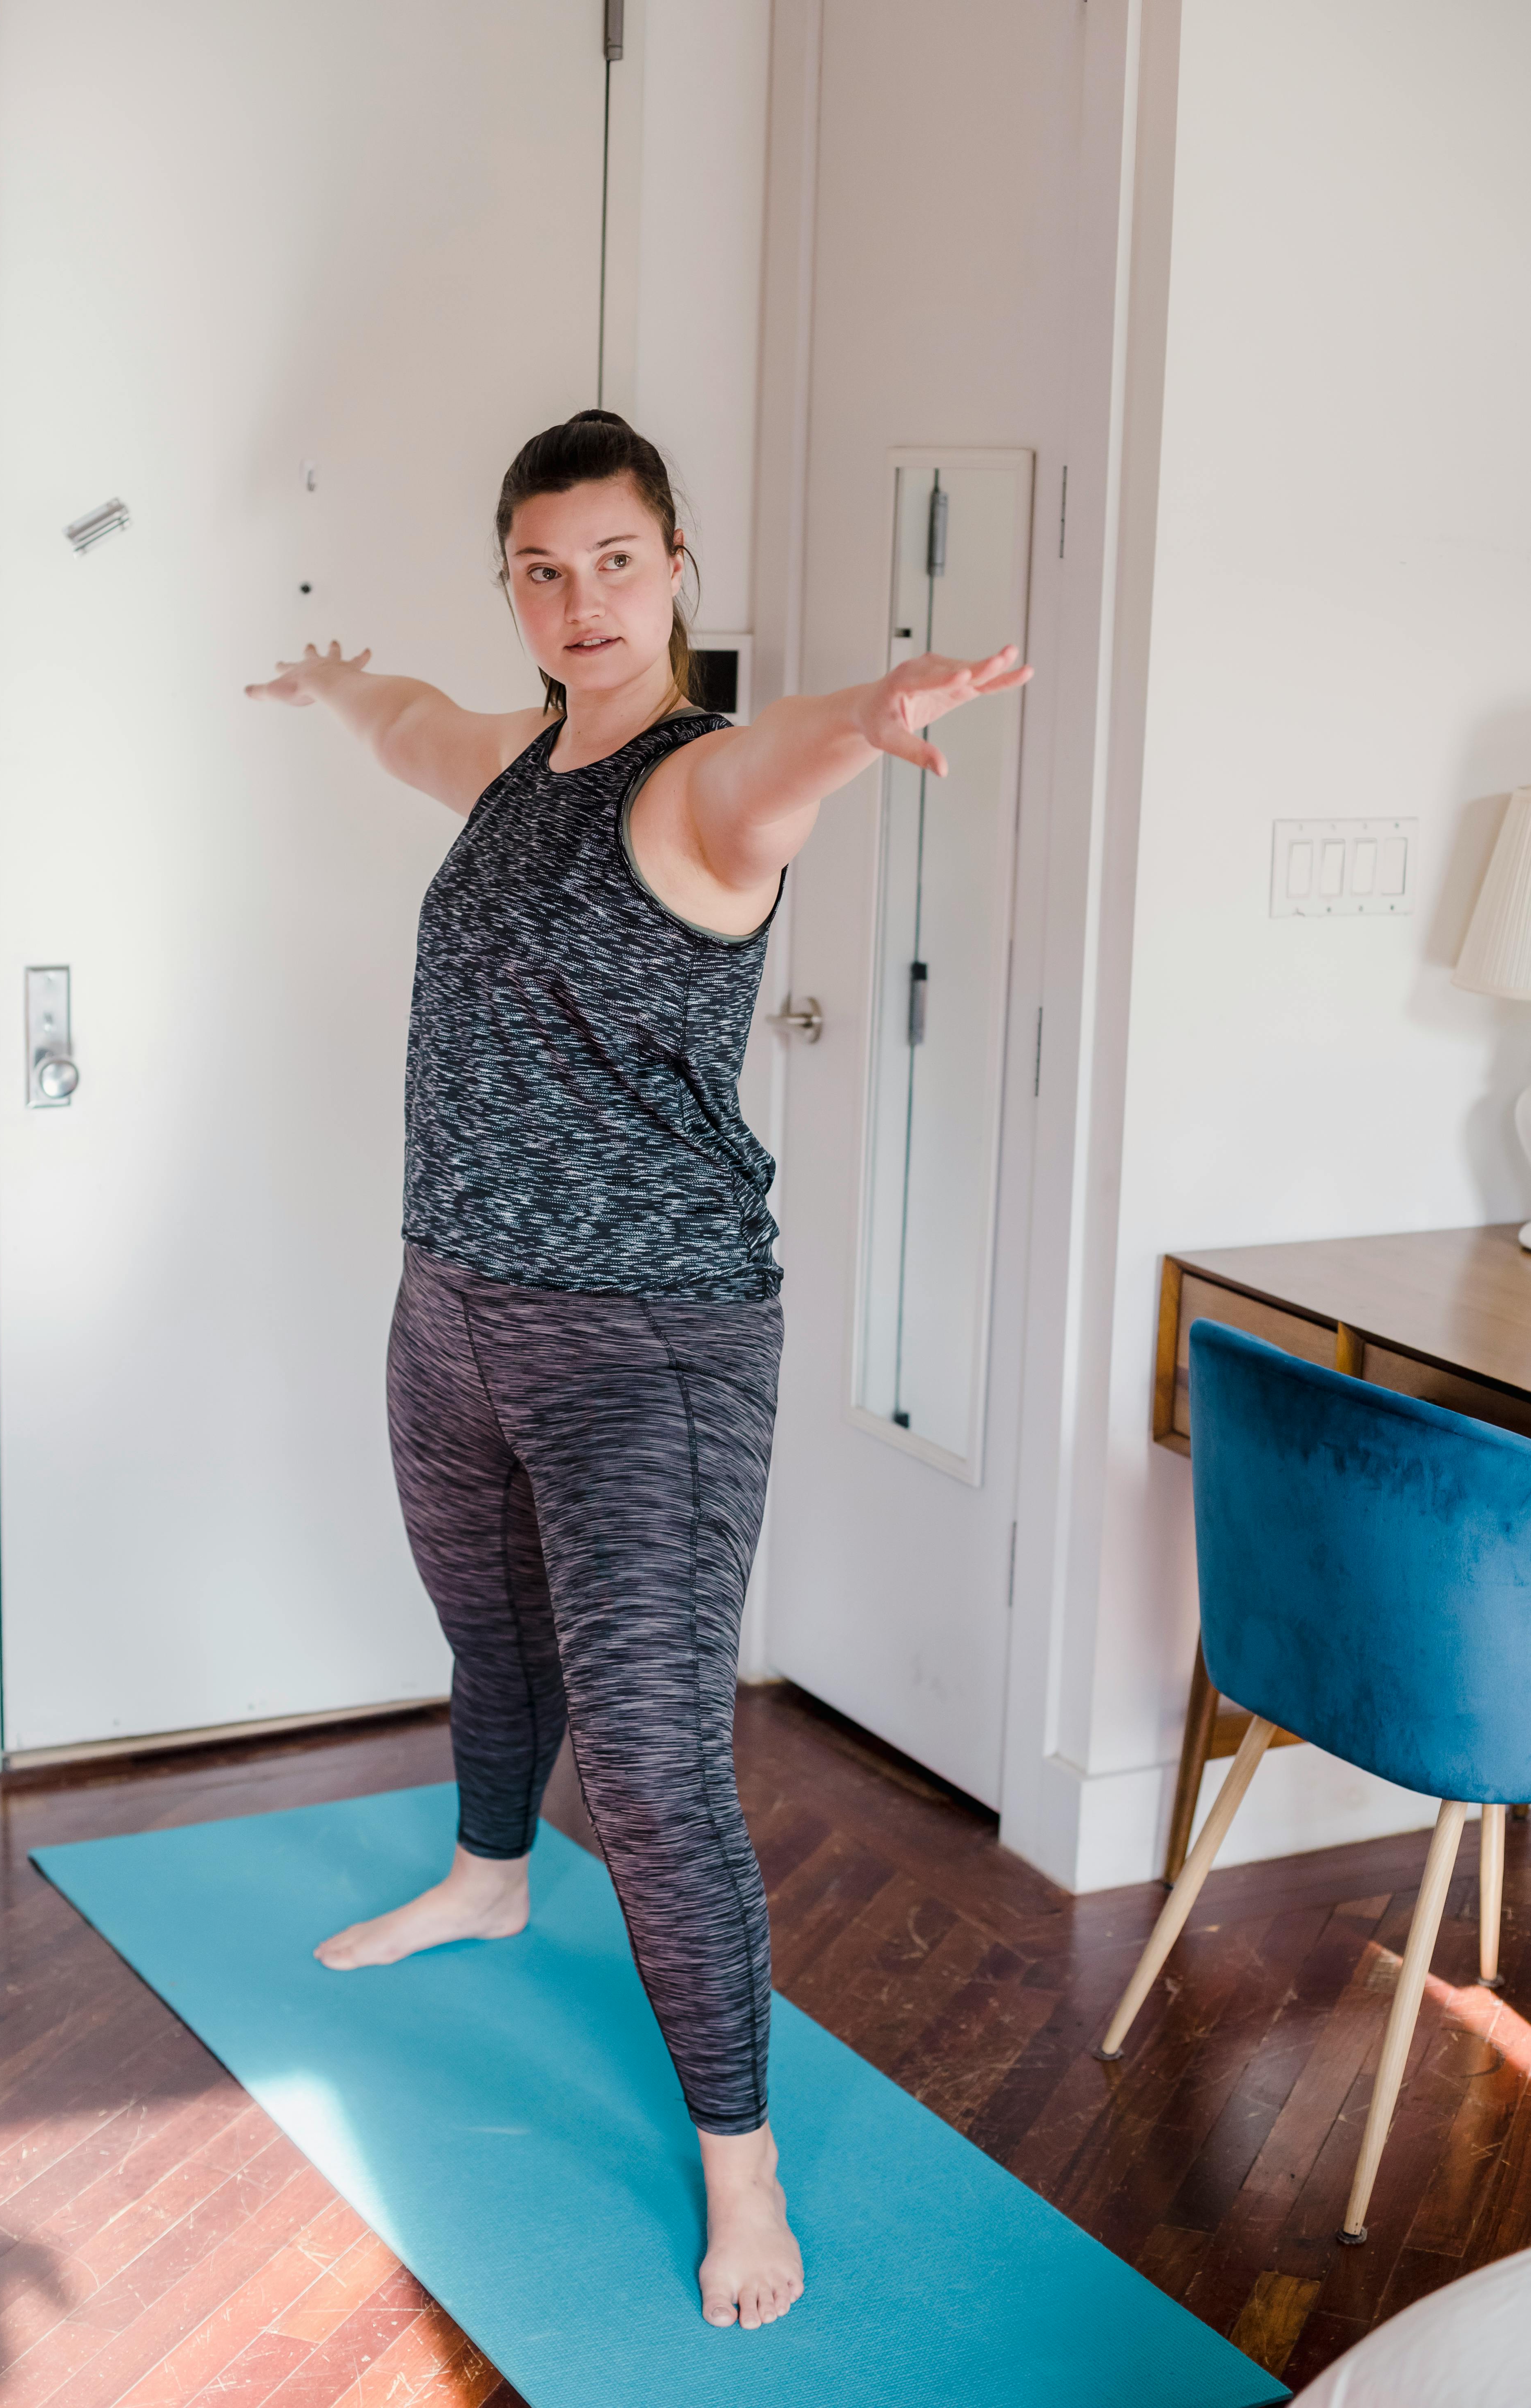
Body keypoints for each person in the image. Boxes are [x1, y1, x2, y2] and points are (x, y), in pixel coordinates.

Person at [245, 408, 1031, 2332]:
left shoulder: (694, 789)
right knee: (490, 1639)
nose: (579, 600)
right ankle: (489, 1872)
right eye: (541, 567)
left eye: (613, 561)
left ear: (675, 566)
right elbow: (418, 718)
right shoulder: (522, 755)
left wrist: (867, 712)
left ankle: (743, 2177)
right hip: (449, 1310)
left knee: (660, 1768)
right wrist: (348, 681)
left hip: (645, 1351)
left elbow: (786, 762)